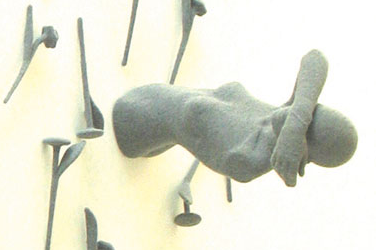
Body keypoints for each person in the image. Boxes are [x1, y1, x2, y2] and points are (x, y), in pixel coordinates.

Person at [112, 49, 357, 186]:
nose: (296, 115)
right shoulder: (284, 115)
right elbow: (315, 58)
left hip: (129, 129)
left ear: (304, 153)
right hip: (135, 104)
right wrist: (298, 122)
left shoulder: (247, 158)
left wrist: (294, 127)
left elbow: (190, 115)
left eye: (306, 128)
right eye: (310, 111)